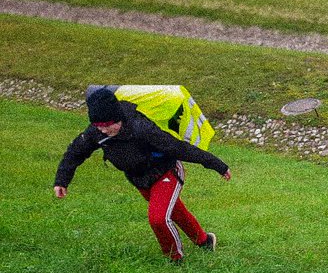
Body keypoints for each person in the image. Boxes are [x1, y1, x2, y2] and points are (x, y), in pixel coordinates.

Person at [53, 86, 230, 261]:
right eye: (99, 126)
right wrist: (61, 180)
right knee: (175, 211)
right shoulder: (96, 133)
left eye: (108, 125)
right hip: (140, 179)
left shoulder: (141, 128)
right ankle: (205, 241)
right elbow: (75, 152)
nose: (104, 131)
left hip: (166, 172)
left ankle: (174, 259)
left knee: (158, 219)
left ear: (118, 118)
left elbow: (179, 148)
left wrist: (217, 165)